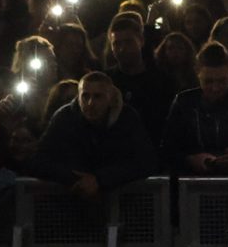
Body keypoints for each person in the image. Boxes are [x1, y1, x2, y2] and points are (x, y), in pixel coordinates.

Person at [29, 70, 157, 197]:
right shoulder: (64, 118)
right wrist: (75, 179)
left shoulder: (127, 118)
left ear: (110, 98)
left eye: (98, 96)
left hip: (119, 200)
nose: (90, 103)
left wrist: (101, 179)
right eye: (85, 96)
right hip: (71, 199)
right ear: (79, 96)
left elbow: (147, 161)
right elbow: (38, 161)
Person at [162, 42, 228, 175]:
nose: (215, 88)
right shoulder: (184, 102)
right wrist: (191, 160)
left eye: (222, 81)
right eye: (208, 81)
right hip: (193, 181)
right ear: (197, 72)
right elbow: (168, 148)